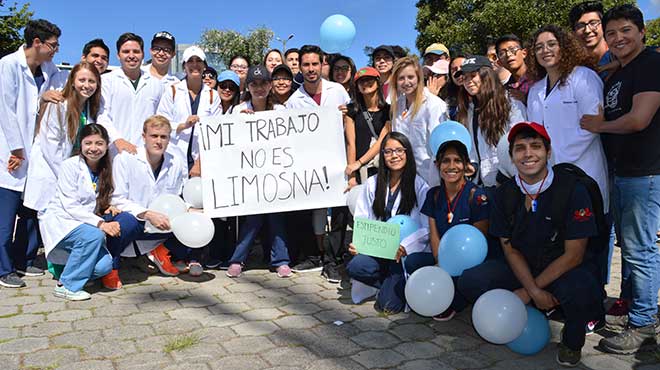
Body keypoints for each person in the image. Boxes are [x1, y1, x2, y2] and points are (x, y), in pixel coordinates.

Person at [457, 122, 604, 367]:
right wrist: (533, 291)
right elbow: (509, 248)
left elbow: (574, 255)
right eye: (520, 148)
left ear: (548, 151)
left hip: (562, 267)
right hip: (523, 265)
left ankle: (571, 341)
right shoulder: (504, 194)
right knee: (471, 281)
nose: (528, 154)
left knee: (581, 289)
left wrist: (528, 292)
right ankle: (526, 312)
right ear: (512, 157)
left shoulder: (573, 189)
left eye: (535, 146)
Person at [579, 4, 660, 355]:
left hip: (644, 173)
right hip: (624, 173)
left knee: (641, 251)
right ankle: (630, 308)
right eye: (612, 33)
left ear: (642, 31)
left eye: (626, 30)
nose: (618, 38)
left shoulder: (651, 65)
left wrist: (600, 126)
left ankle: (644, 326)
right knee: (630, 249)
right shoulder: (625, 68)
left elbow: (639, 119)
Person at [0, 19, 61, 288]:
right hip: (12, 151)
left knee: (29, 209)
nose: (56, 50)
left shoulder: (48, 68)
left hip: (33, 149)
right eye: (53, 45)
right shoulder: (9, 65)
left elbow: (39, 101)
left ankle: (22, 260)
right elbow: (6, 109)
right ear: (37, 43)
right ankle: (3, 269)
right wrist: (16, 149)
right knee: (6, 213)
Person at [346, 132, 431, 313]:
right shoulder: (372, 184)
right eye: (388, 151)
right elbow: (362, 218)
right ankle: (386, 281)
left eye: (399, 150)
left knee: (388, 306)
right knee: (355, 266)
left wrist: (406, 246)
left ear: (407, 153)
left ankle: (392, 282)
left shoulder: (419, 186)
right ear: (382, 156)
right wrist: (358, 244)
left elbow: (426, 228)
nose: (394, 156)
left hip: (401, 255)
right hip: (378, 252)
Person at [286, 45, 351, 275]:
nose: (311, 69)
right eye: (306, 65)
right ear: (300, 67)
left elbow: (350, 125)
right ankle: (315, 256)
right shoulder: (294, 101)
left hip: (338, 159)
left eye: (315, 64)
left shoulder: (338, 91)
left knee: (340, 209)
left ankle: (335, 258)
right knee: (313, 210)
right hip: (310, 164)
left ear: (322, 63)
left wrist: (344, 116)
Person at [225, 65, 292, 279]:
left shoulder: (281, 111)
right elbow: (226, 138)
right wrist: (240, 123)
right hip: (250, 176)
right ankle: (237, 259)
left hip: (275, 174)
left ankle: (281, 260)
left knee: (276, 218)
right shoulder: (238, 110)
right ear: (249, 87)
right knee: (252, 219)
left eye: (264, 83)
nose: (259, 88)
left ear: (270, 85)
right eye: (254, 84)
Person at [107, 115, 187, 288]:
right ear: (144, 137)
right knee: (124, 223)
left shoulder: (176, 162)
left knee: (193, 221)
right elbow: (117, 199)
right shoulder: (125, 159)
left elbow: (179, 196)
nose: (158, 141)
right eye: (154, 136)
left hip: (161, 224)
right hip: (136, 219)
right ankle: (111, 268)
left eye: (163, 137)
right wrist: (148, 214)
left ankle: (161, 251)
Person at [421, 138, 494, 321]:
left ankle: (457, 299)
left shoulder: (477, 196)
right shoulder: (434, 194)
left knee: (464, 281)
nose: (451, 166)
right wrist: (439, 263)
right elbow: (434, 234)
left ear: (466, 165)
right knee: (413, 262)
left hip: (469, 264)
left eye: (457, 160)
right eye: (446, 161)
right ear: (438, 165)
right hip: (444, 259)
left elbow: (479, 243)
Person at [39, 124, 114, 300]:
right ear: (80, 145)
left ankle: (69, 271)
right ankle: (66, 286)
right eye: (88, 143)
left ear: (106, 145)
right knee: (94, 235)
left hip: (81, 222)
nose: (94, 148)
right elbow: (70, 205)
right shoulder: (70, 166)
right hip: (62, 220)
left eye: (99, 143)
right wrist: (101, 223)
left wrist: (112, 205)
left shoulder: (106, 168)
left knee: (104, 266)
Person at [25, 62, 102, 215]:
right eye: (82, 80)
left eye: (91, 81)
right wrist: (66, 175)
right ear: (72, 81)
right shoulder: (59, 105)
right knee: (34, 229)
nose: (86, 85)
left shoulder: (89, 110)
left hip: (67, 175)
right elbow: (51, 147)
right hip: (49, 172)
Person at [455, 55, 526, 187]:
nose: (468, 81)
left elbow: (520, 139)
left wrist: (504, 173)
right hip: (482, 184)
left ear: (486, 75)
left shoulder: (510, 102)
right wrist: (473, 166)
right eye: (465, 78)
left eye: (473, 75)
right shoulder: (469, 109)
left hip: (510, 181)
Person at [157, 45, 220, 174]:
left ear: (204, 66)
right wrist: (183, 126)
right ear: (184, 66)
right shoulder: (172, 91)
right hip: (173, 156)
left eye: (198, 61)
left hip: (201, 161)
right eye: (190, 61)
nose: (194, 65)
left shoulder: (213, 95)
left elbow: (215, 133)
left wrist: (199, 163)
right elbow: (161, 124)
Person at [98, 33, 164, 154]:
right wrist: (117, 139)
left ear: (143, 54)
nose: (131, 56)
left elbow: (160, 119)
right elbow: (102, 115)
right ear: (118, 55)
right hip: (114, 152)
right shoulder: (106, 81)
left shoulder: (157, 85)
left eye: (136, 51)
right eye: (126, 51)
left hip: (146, 154)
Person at [390, 56, 448, 187]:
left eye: (410, 77)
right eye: (401, 78)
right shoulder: (397, 106)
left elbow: (439, 145)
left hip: (431, 176)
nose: (406, 82)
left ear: (419, 78)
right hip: (405, 176)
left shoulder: (433, 104)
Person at [344, 66, 391, 184]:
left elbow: (382, 140)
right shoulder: (351, 110)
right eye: (361, 81)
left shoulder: (389, 110)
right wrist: (352, 175)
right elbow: (351, 143)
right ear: (357, 87)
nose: (365, 83)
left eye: (370, 79)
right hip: (360, 171)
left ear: (378, 82)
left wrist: (359, 162)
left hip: (382, 168)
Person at [569, 1, 614, 78]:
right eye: (580, 26)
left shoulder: (620, 56)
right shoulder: (573, 68)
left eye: (593, 23)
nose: (587, 30)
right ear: (573, 32)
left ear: (604, 25)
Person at [495, 34, 529, 103]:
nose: (508, 54)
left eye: (512, 49)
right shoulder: (505, 90)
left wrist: (527, 100)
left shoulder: (540, 78)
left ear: (524, 53)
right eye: (502, 53)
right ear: (499, 63)